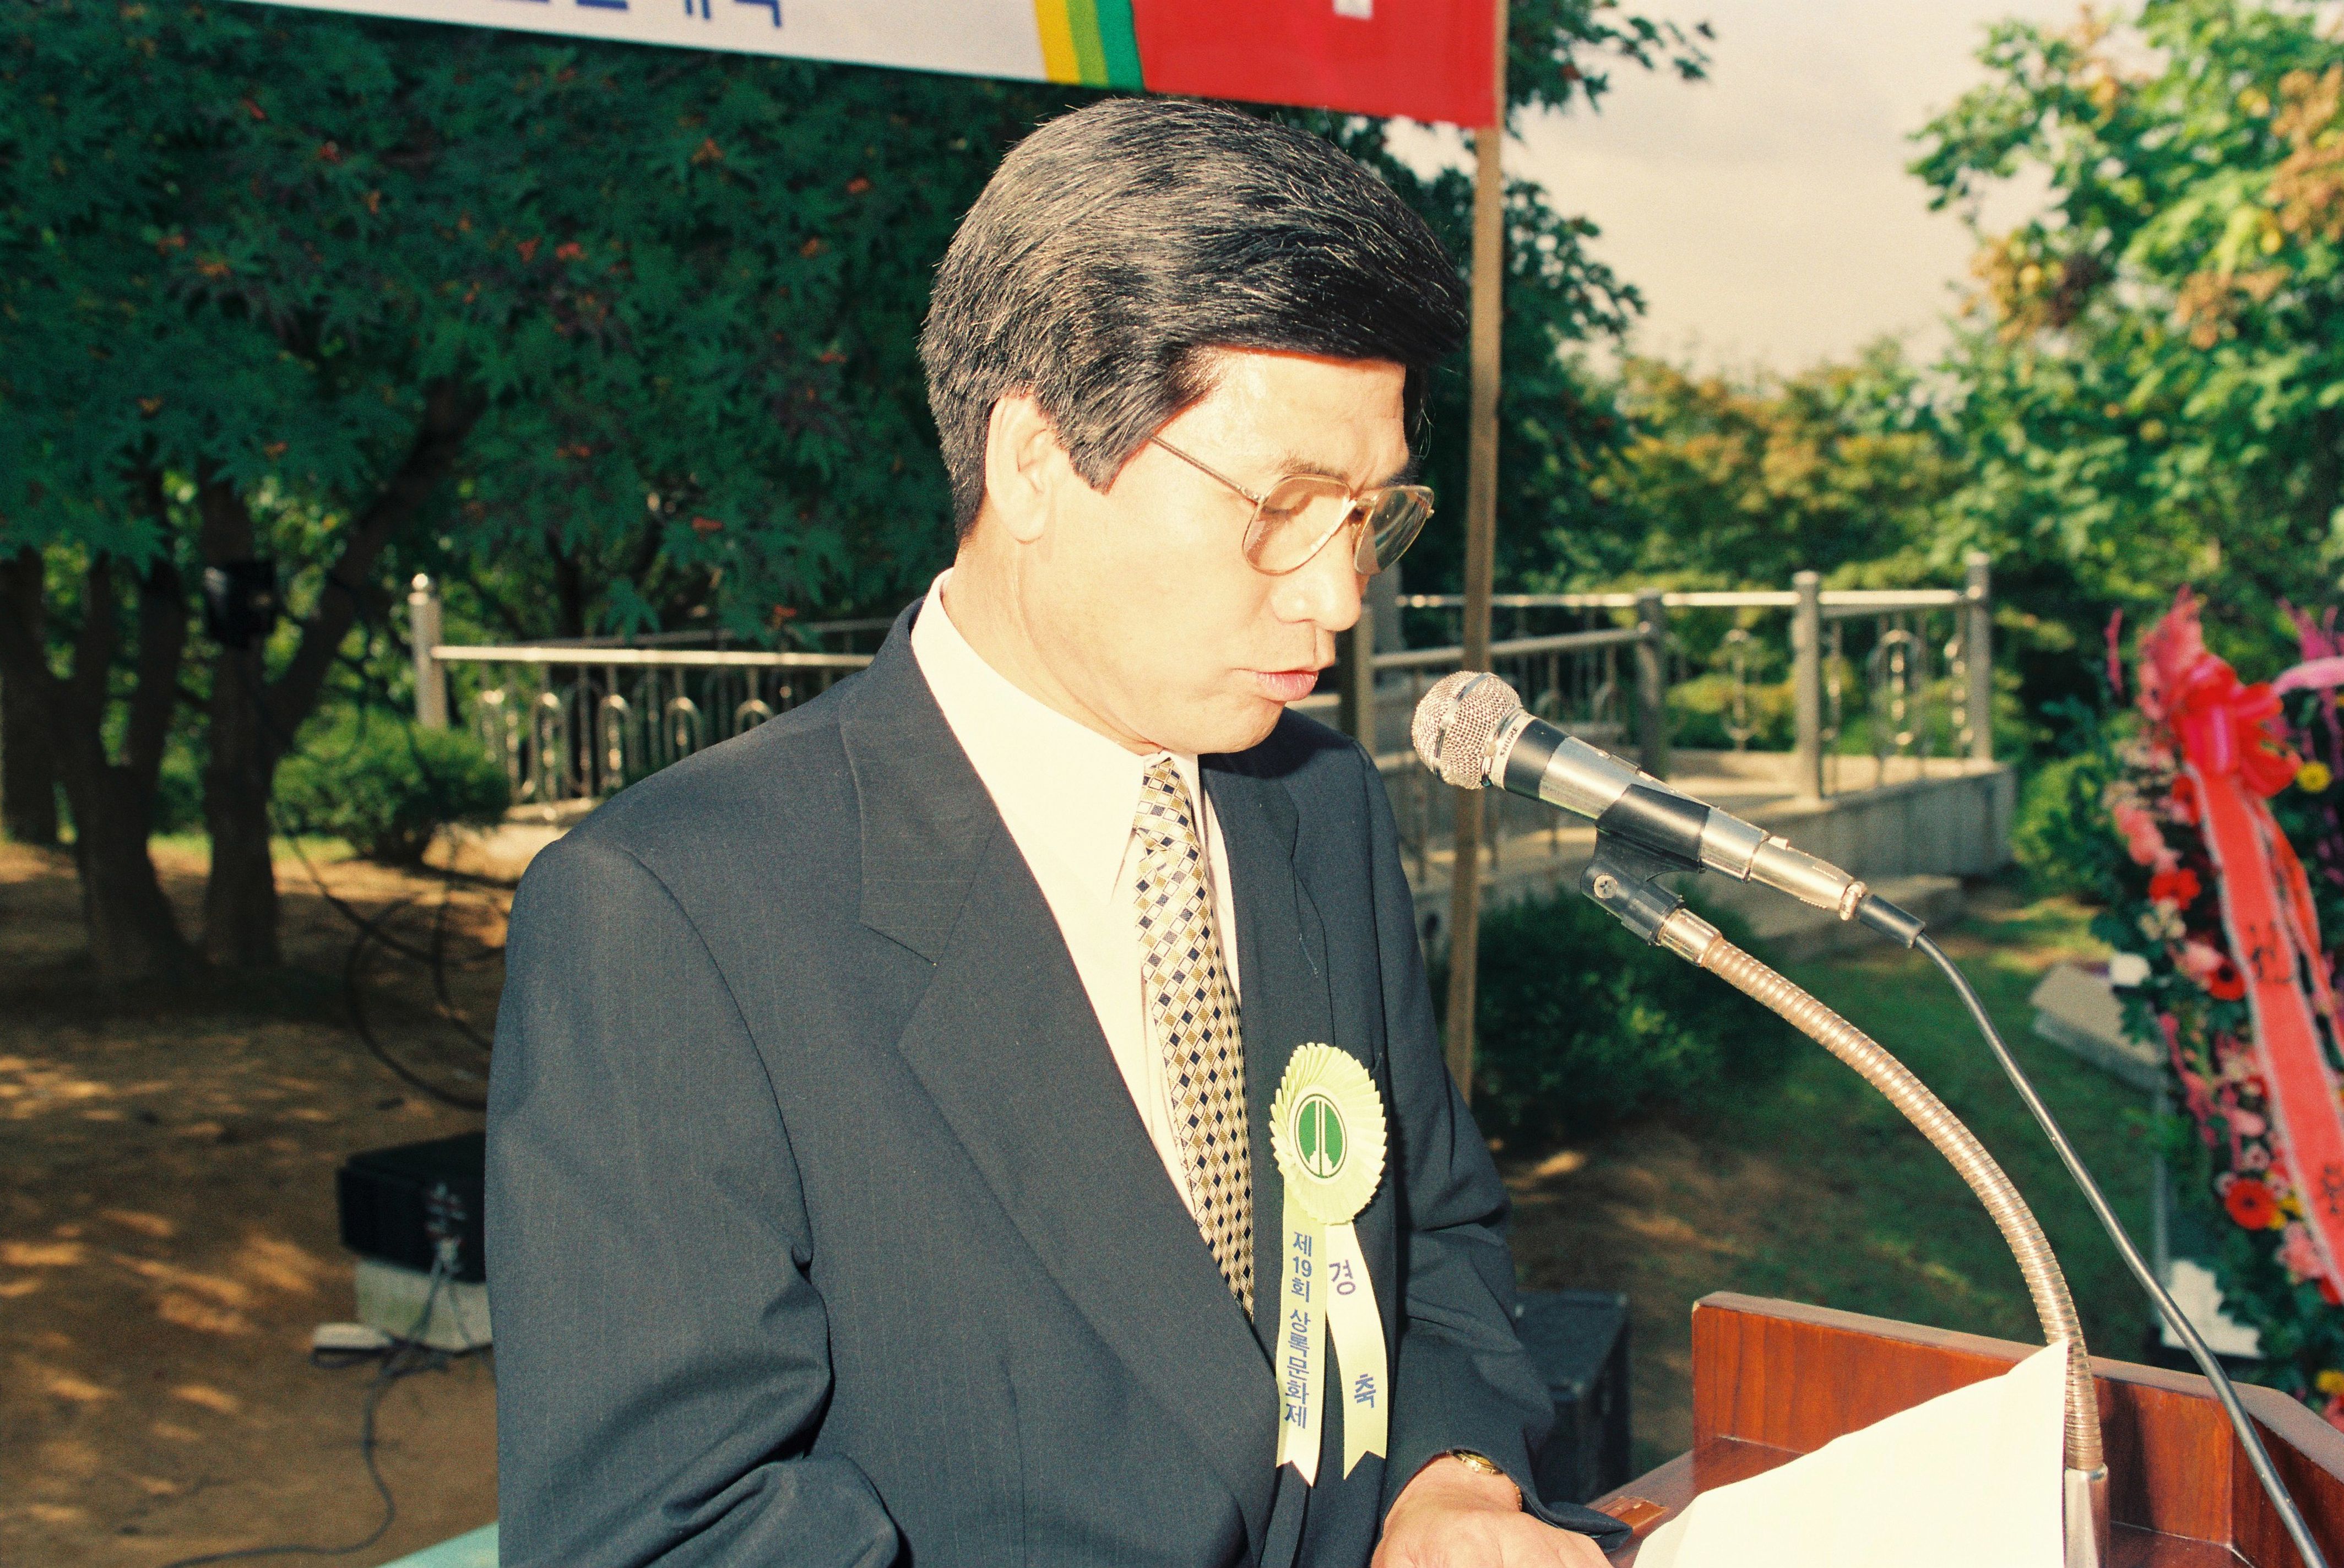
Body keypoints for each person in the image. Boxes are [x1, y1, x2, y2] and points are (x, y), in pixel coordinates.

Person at [487, 97, 1625, 1568]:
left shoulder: (1318, 806)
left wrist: (1449, 1488)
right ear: (1034, 460)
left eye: (1367, 516)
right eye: (1286, 506)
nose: (1340, 597)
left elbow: (1432, 1238)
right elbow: (666, 1535)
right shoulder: (675, 912)